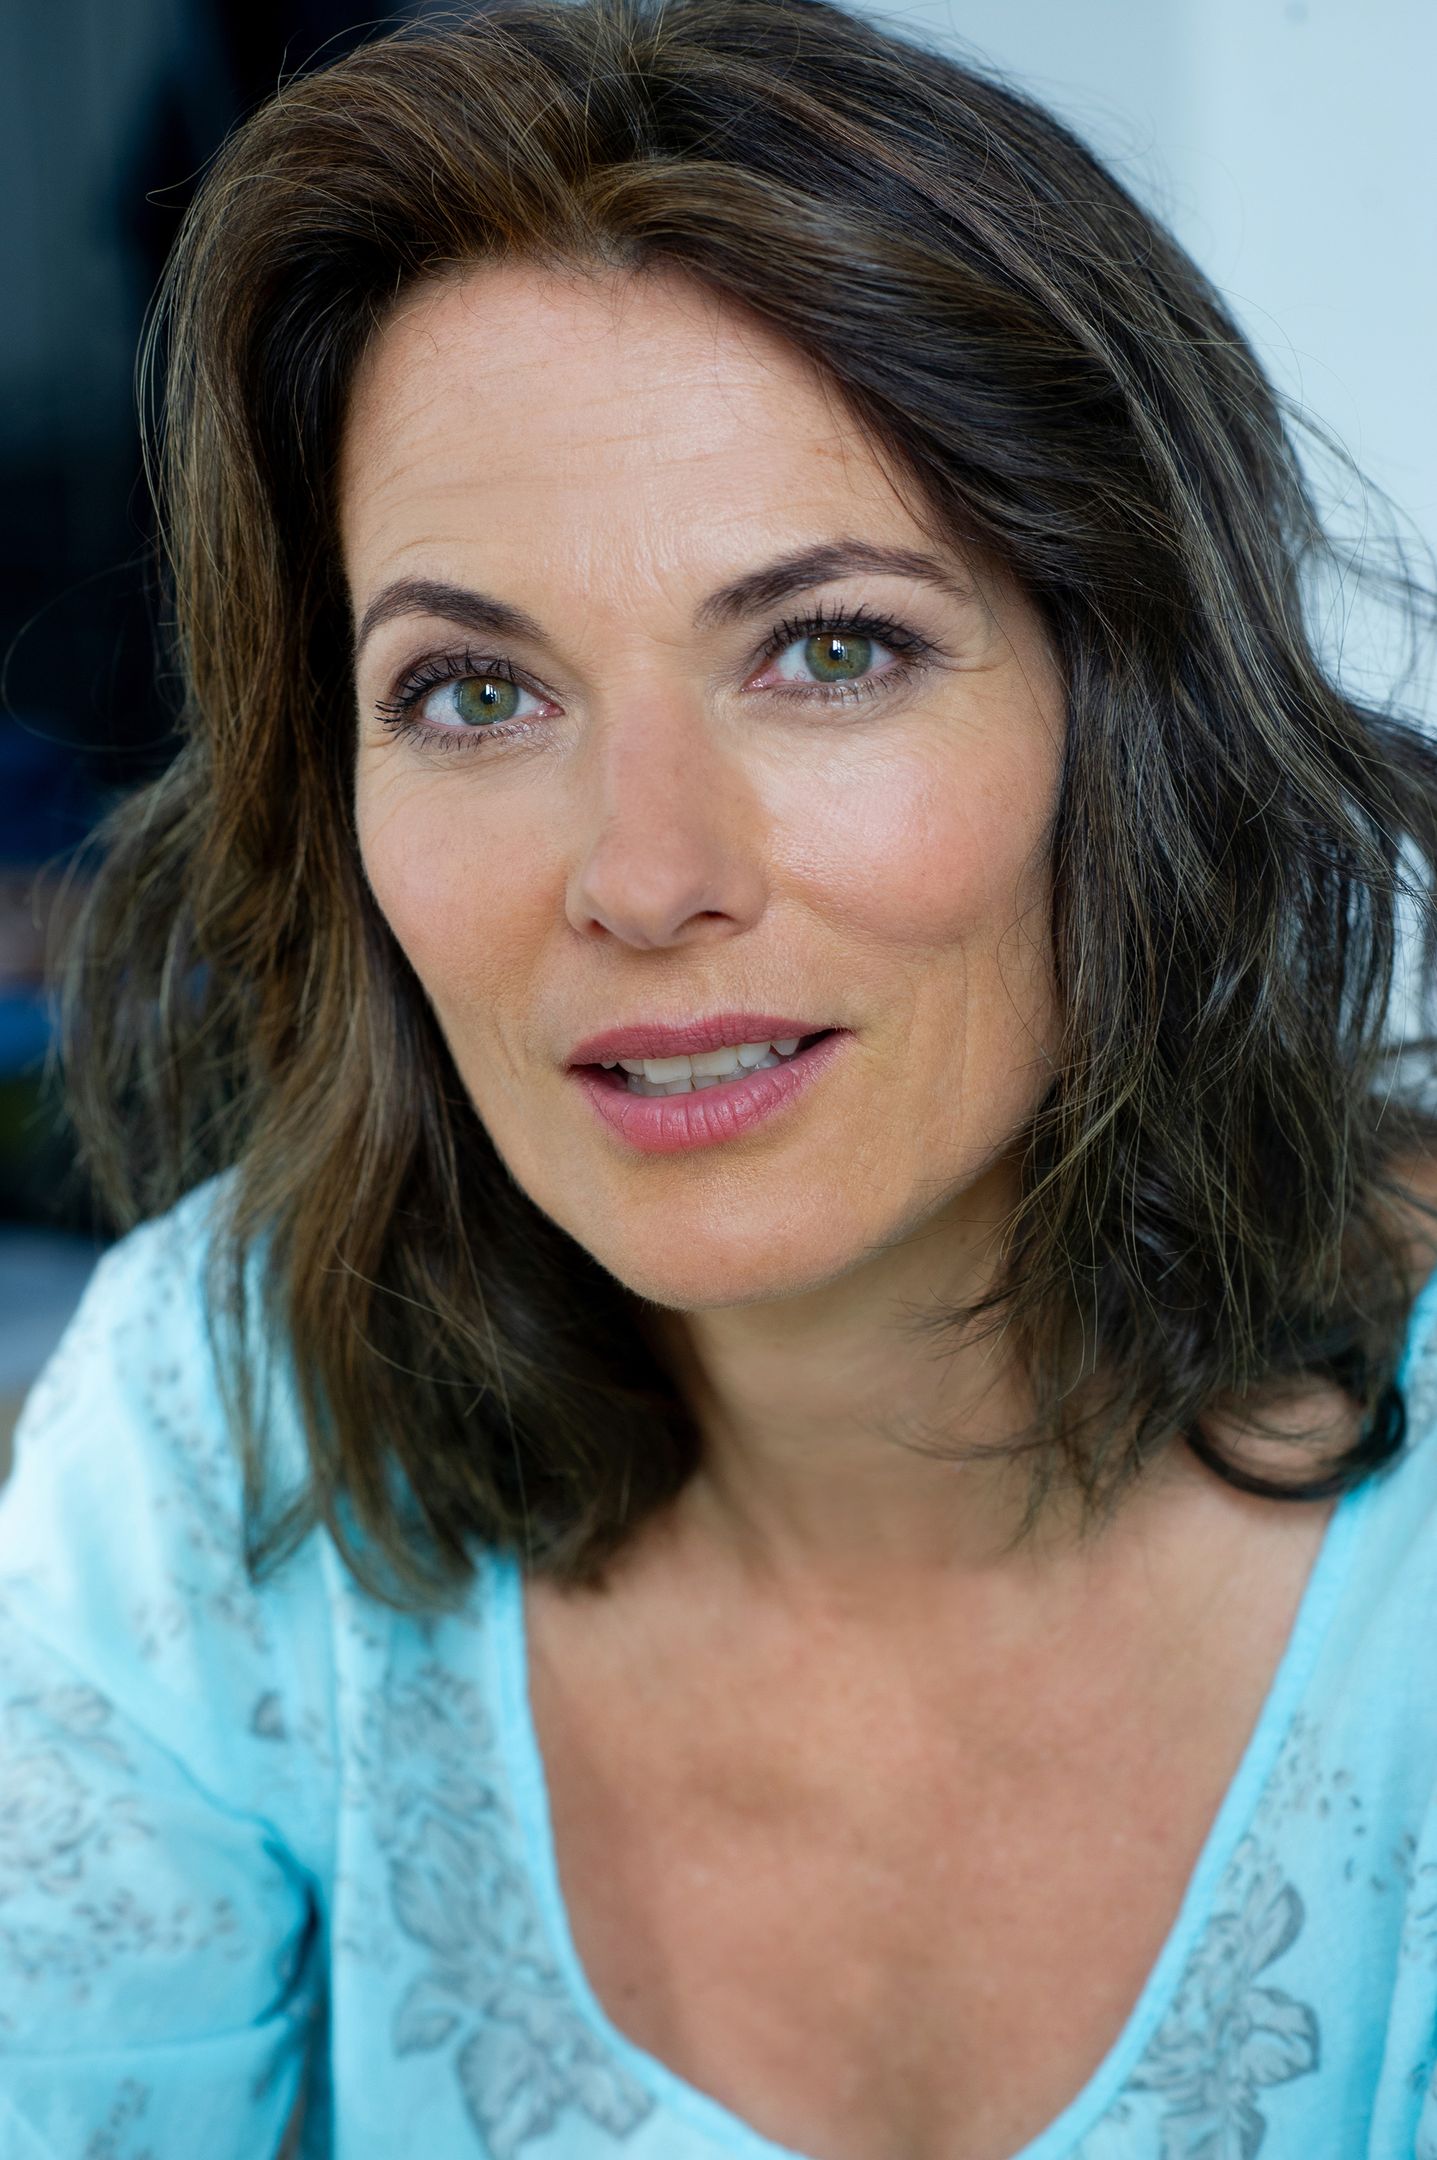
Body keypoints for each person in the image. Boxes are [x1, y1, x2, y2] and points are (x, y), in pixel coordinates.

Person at [4, 0, 1437, 2153]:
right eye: (472, 693)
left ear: (1131, 707)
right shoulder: (216, 1427)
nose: (642, 876)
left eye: (829, 651)